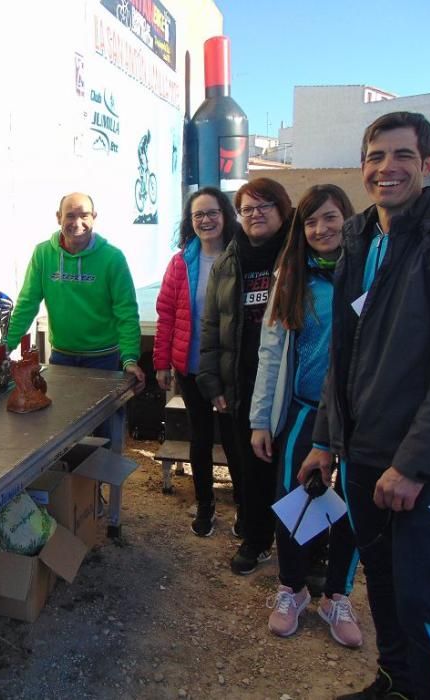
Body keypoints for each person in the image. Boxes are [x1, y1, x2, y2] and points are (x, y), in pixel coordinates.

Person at [302, 112, 430, 699]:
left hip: (426, 464)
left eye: (402, 156)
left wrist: (413, 465)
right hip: (363, 452)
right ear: (363, 167)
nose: (388, 168)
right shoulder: (362, 237)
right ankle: (395, 683)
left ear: (428, 164)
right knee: (382, 585)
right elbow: (346, 351)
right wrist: (322, 439)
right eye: (376, 156)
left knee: (421, 597)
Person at [249, 184, 362, 647]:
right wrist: (260, 418)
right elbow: (271, 351)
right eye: (311, 221)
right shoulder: (291, 275)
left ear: (347, 219)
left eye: (331, 217)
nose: (321, 229)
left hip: (358, 418)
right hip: (302, 411)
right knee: (297, 501)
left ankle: (337, 595)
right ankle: (292, 588)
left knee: (353, 510)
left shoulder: (368, 272)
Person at [197, 177, 291, 575]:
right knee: (249, 470)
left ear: (283, 210)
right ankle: (256, 539)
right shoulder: (228, 262)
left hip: (290, 386)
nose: (255, 215)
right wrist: (211, 381)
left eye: (264, 206)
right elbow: (211, 326)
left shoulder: (296, 255)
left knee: (293, 468)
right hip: (241, 384)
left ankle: (304, 550)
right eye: (247, 208)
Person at [153, 187, 241, 536]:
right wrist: (162, 362)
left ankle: (245, 508)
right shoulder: (181, 262)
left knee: (235, 440)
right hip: (190, 367)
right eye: (198, 215)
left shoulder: (240, 256)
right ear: (190, 222)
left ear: (225, 216)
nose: (206, 220)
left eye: (213, 213)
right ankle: (205, 505)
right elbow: (167, 315)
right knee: (201, 438)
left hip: (230, 368)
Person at [3, 192, 145, 384]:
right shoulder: (43, 254)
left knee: (106, 414)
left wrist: (129, 358)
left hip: (104, 360)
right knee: (61, 414)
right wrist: (6, 348)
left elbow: (126, 311)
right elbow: (27, 304)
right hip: (62, 357)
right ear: (58, 217)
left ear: (94, 218)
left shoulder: (113, 258)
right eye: (70, 215)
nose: (77, 222)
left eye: (84, 215)